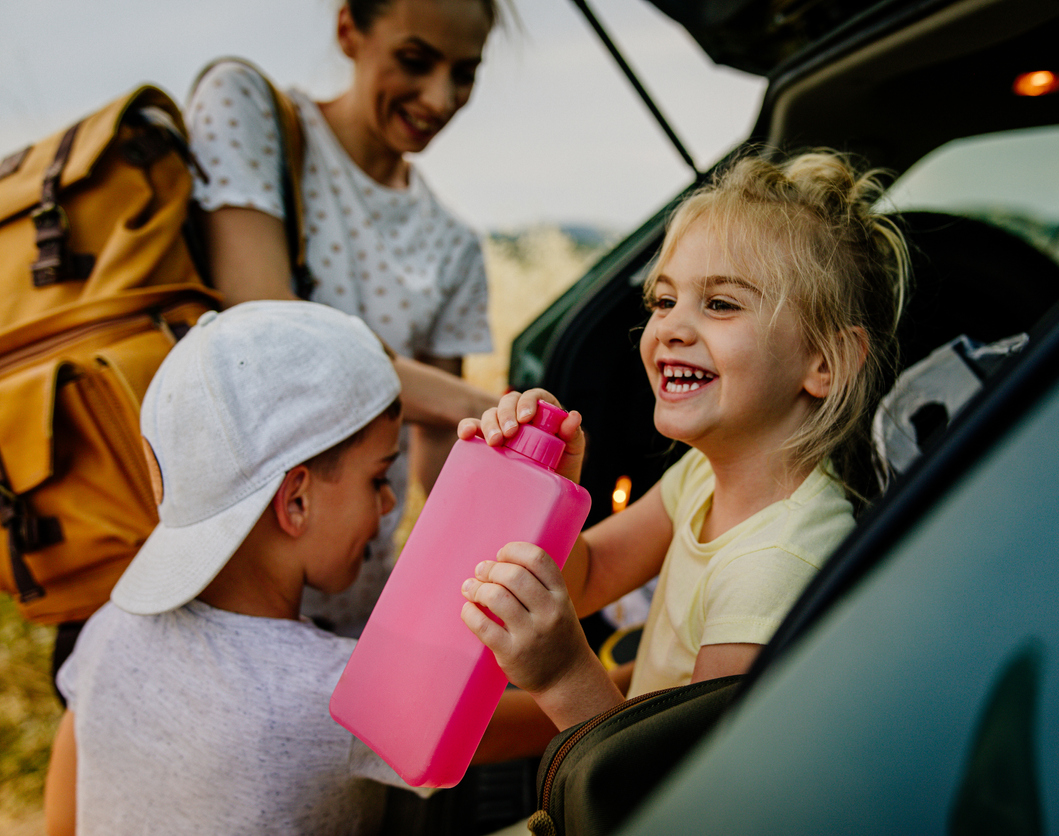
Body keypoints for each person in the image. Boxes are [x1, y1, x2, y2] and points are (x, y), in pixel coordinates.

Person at [459, 151, 910, 732]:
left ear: (826, 361)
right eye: (664, 301)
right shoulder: (701, 476)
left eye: (720, 303)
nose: (671, 326)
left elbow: (683, 795)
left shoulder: (776, 569)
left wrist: (564, 675)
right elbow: (589, 578)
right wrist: (549, 495)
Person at [44, 302, 426, 836]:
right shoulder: (334, 696)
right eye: (378, 478)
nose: (388, 503)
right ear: (295, 501)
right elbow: (570, 720)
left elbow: (60, 826)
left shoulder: (107, 631)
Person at [186, 0, 502, 635]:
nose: (439, 100)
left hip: (351, 608)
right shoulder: (247, 112)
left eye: (464, 74)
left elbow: (443, 463)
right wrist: (477, 400)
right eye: (414, 61)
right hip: (217, 598)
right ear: (348, 29)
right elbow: (267, 330)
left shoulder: (454, 244)